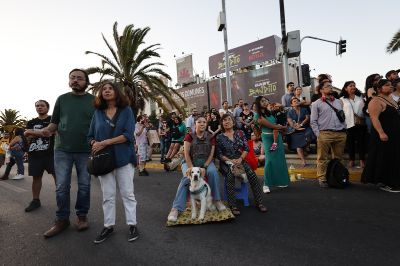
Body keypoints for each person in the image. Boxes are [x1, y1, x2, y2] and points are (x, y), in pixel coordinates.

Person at [41, 69, 95, 238]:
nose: (75, 80)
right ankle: (62, 220)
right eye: (72, 78)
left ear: (86, 82)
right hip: (62, 149)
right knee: (62, 186)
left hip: (86, 150)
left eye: (80, 78)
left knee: (85, 186)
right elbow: (54, 123)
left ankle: (81, 217)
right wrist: (46, 130)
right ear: (68, 81)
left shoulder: (94, 100)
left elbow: (99, 124)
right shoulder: (61, 99)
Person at [87, 81, 138, 243]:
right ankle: (108, 226)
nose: (107, 91)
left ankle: (132, 224)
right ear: (100, 94)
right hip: (104, 160)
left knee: (128, 194)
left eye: (110, 88)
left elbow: (128, 135)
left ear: (117, 92)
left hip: (123, 158)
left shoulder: (126, 111)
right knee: (107, 196)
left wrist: (104, 142)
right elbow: (90, 136)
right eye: (104, 89)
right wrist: (94, 143)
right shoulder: (97, 113)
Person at [167, 116, 226, 222]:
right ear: (195, 124)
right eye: (199, 122)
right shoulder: (189, 136)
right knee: (186, 179)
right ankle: (176, 208)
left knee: (213, 173)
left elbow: (211, 154)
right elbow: (186, 154)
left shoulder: (211, 136)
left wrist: (205, 167)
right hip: (190, 162)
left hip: (205, 162)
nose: (202, 124)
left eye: (204, 122)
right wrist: (191, 169)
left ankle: (217, 200)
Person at [216, 113, 267, 215]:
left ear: (233, 121)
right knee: (230, 176)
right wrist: (229, 161)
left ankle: (259, 203)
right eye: (224, 120)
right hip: (227, 163)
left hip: (241, 160)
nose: (227, 122)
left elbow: (246, 148)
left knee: (252, 175)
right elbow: (219, 154)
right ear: (222, 123)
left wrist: (240, 158)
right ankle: (232, 205)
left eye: (229, 119)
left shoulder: (240, 133)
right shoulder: (219, 137)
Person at [362, 79, 400, 192]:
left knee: (394, 157)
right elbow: (374, 118)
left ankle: (392, 181)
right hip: (384, 134)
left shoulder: (392, 99)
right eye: (387, 85)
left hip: (395, 134)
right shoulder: (375, 101)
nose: (390, 87)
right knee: (385, 157)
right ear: (379, 89)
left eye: (390, 85)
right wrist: (381, 133)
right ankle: (388, 182)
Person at [310, 81, 347, 188]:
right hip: (324, 134)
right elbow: (313, 121)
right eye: (327, 87)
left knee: (339, 158)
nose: (330, 88)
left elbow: (342, 116)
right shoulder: (316, 103)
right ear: (321, 90)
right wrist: (319, 134)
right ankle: (322, 178)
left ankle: (337, 176)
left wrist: (344, 128)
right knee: (322, 158)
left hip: (340, 133)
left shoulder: (339, 102)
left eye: (331, 86)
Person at [23, 100, 56, 212]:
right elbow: (26, 135)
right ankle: (35, 200)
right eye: (37, 106)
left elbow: (51, 133)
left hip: (51, 154)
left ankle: (62, 199)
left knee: (58, 177)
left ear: (47, 107)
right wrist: (40, 133)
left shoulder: (53, 120)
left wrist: (32, 132)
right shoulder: (31, 121)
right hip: (35, 154)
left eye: (42, 105)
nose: (39, 107)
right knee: (36, 178)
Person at [254, 96, 289, 193]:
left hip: (277, 137)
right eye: (262, 101)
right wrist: (282, 127)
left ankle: (280, 181)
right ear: (258, 103)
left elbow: (275, 124)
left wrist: (281, 128)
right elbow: (271, 126)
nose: (265, 102)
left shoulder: (270, 113)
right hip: (268, 138)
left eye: (266, 100)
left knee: (279, 159)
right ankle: (266, 184)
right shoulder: (257, 115)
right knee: (269, 161)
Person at [340, 81, 367, 168]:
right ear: (345, 88)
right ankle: (351, 160)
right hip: (348, 124)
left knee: (361, 142)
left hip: (360, 123)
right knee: (350, 143)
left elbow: (364, 109)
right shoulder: (341, 99)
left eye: (354, 85)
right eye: (350, 86)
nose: (353, 87)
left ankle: (362, 160)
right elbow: (341, 112)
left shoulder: (360, 98)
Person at [287, 97, 313, 167]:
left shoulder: (304, 109)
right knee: (298, 145)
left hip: (305, 127)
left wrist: (301, 124)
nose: (296, 102)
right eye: (294, 101)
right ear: (292, 104)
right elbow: (290, 121)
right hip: (295, 130)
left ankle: (306, 148)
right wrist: (295, 126)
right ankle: (303, 160)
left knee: (309, 134)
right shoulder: (290, 111)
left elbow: (307, 118)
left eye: (297, 101)